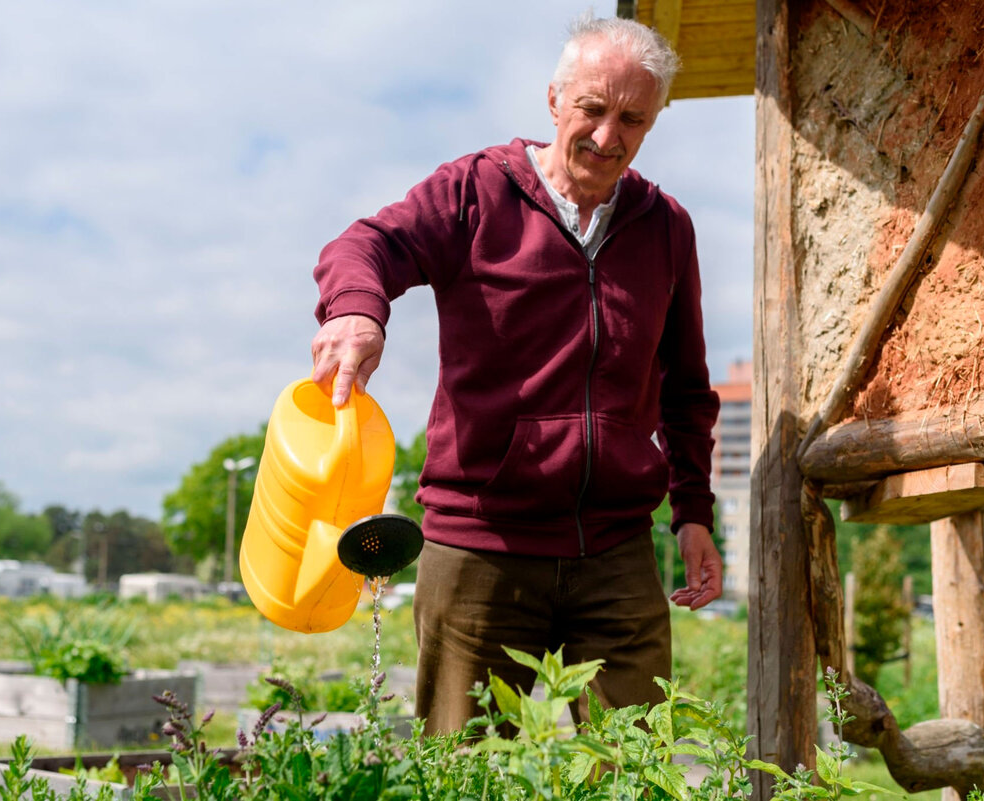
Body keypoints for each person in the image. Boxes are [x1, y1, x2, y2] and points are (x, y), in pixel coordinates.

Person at [309, 13, 722, 734]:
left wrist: (692, 512)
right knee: (465, 767)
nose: (607, 135)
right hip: (480, 550)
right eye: (593, 110)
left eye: (633, 119)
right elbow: (365, 244)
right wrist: (356, 311)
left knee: (636, 767)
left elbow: (686, 387)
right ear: (555, 100)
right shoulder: (473, 192)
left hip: (617, 551)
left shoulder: (666, 226)